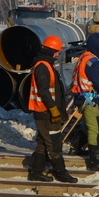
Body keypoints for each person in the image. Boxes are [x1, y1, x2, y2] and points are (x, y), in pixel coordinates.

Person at [27, 35, 77, 184]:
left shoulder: (46, 65)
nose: (57, 54)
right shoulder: (43, 66)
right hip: (45, 113)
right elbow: (44, 91)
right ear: (49, 51)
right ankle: (61, 172)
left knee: (43, 143)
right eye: (56, 51)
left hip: (46, 112)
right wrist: (54, 110)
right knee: (54, 143)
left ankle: (36, 172)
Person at [71, 32, 99, 173]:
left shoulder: (85, 57)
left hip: (83, 98)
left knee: (87, 126)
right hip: (91, 100)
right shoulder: (94, 64)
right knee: (95, 129)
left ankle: (76, 147)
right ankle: (96, 161)